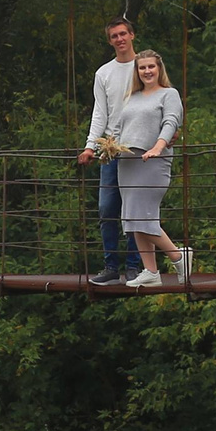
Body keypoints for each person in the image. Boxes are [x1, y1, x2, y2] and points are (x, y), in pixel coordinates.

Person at [112, 49, 185, 289]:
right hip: (128, 162)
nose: (147, 71)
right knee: (132, 218)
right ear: (137, 71)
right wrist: (108, 147)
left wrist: (158, 146)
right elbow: (120, 128)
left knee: (144, 216)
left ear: (159, 68)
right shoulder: (131, 97)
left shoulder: (168, 94)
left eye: (151, 67)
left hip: (152, 160)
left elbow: (171, 121)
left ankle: (178, 255)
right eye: (142, 68)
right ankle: (151, 271)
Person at [77, 16, 141, 285]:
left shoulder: (146, 65)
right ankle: (111, 265)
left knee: (135, 210)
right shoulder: (103, 73)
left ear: (132, 35)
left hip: (138, 149)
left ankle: (136, 267)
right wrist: (90, 146)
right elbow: (99, 113)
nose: (120, 39)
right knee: (106, 209)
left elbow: (164, 98)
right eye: (114, 36)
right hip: (111, 149)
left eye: (123, 34)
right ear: (110, 40)